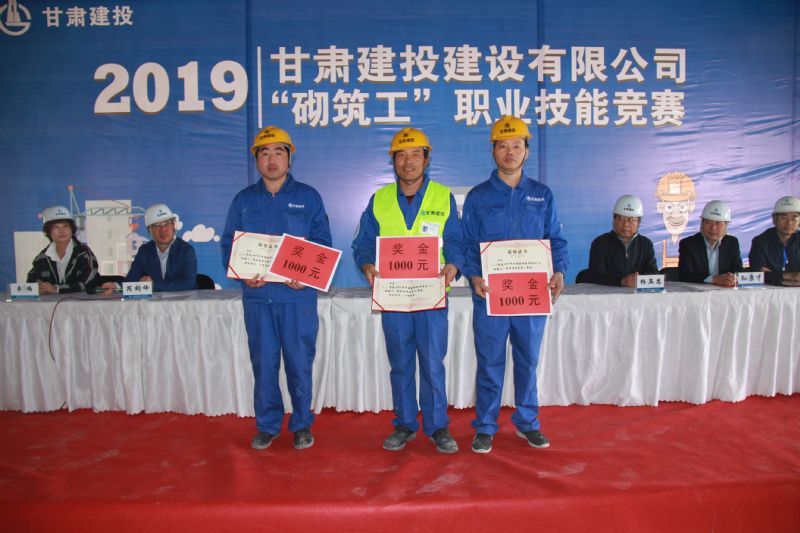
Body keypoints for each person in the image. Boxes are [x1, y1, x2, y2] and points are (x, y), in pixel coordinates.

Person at [352, 127, 464, 454]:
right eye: (401, 155)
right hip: (394, 296)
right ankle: (404, 424)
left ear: (427, 160)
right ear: (393, 161)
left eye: (416, 154)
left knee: (432, 362)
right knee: (400, 362)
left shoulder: (443, 196)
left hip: (431, 294)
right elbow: (363, 244)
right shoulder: (380, 199)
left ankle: (438, 426)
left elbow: (455, 241)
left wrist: (453, 266)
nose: (408, 161)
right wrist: (367, 266)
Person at [461, 116, 568, 454]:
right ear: (493, 151)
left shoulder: (542, 195)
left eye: (517, 146)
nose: (510, 152)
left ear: (527, 151)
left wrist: (559, 271)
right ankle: (485, 426)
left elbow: (555, 239)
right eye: (503, 146)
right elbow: (467, 244)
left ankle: (528, 422)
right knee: (490, 362)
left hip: (531, 297)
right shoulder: (478, 197)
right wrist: (474, 275)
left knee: (527, 361)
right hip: (490, 296)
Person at [221, 125, 331, 451]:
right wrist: (243, 275)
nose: (272, 160)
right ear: (256, 159)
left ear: (289, 157)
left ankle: (301, 424)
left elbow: (322, 244)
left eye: (279, 152)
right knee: (264, 364)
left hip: (297, 298)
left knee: (299, 363)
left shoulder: (308, 197)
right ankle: (267, 425)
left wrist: (307, 274)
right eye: (265, 153)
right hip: (258, 298)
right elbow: (229, 245)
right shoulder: (243, 200)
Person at [101, 204, 197, 292]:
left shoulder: (186, 251)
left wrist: (153, 285)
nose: (163, 230)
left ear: (173, 226)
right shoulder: (145, 251)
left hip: (181, 303)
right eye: (156, 226)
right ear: (149, 230)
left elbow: (188, 284)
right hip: (152, 304)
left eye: (166, 224)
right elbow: (133, 278)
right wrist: (116, 286)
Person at [586, 194, 658, 287]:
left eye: (632, 219)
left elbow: (653, 272)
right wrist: (622, 281)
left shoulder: (646, 244)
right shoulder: (600, 243)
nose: (626, 224)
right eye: (621, 218)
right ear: (614, 220)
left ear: (638, 222)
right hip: (607, 294)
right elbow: (594, 275)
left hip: (638, 294)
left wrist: (638, 280)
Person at [27, 205, 99, 294]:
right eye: (56, 227)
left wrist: (57, 289)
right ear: (48, 232)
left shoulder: (83, 253)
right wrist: (38, 287)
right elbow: (31, 281)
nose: (62, 231)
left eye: (66, 226)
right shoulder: (42, 257)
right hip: (50, 302)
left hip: (81, 301)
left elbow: (89, 282)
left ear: (72, 230)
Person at [678, 200, 742, 287]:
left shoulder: (732, 242)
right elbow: (685, 275)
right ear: (701, 224)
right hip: (697, 292)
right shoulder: (688, 244)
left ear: (726, 226)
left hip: (726, 291)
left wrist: (732, 278)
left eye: (718, 223)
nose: (713, 228)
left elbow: (738, 270)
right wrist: (713, 279)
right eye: (708, 222)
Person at [748, 196, 800, 287]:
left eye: (794, 218)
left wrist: (772, 274)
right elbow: (756, 274)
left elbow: (765, 275)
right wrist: (791, 276)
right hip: (768, 293)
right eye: (784, 218)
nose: (789, 223)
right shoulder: (760, 242)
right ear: (774, 219)